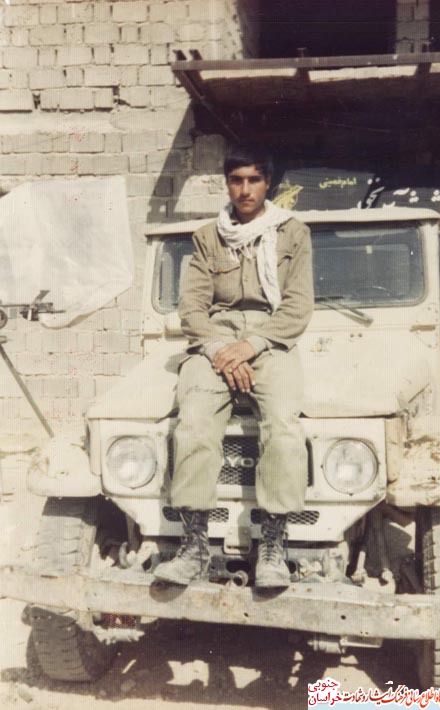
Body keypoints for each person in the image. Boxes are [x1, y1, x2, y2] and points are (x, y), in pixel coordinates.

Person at [154, 143, 314, 588]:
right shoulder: (209, 237)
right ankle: (193, 547)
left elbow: (298, 307)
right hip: (216, 342)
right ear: (227, 184)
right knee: (192, 423)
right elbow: (192, 309)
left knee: (284, 427)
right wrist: (220, 350)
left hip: (271, 340)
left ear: (268, 183)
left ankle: (273, 547)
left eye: (254, 180)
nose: (245, 190)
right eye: (236, 180)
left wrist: (250, 346)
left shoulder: (292, 233)